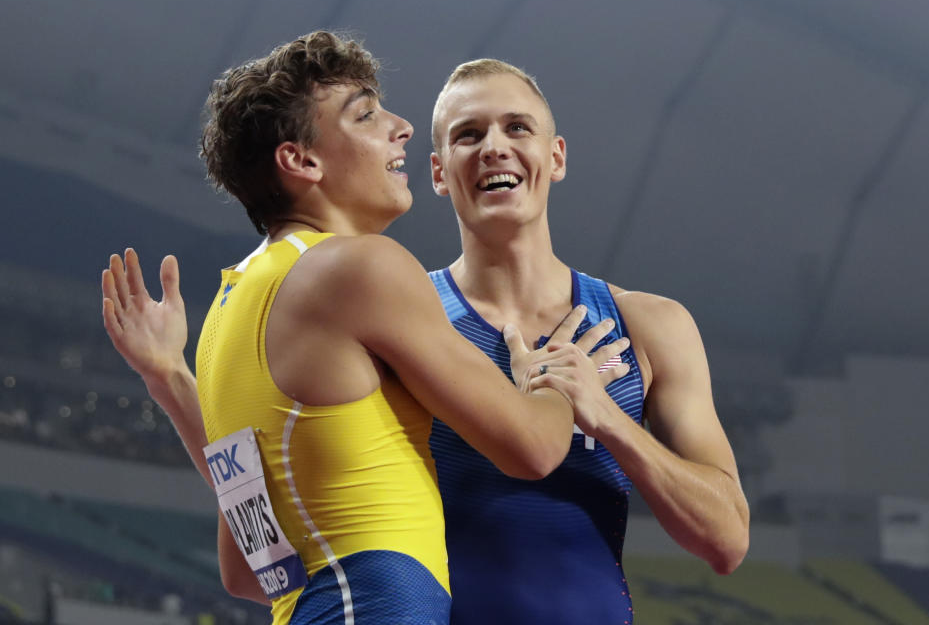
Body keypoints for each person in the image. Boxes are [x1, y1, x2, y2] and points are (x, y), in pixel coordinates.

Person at [101, 31, 629, 625]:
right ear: (302, 161)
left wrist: (170, 376)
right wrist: (556, 378)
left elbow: (254, 569)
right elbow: (533, 448)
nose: (401, 126)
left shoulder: (230, 308)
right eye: (367, 114)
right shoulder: (359, 266)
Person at [420, 59, 750, 624]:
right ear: (438, 172)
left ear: (556, 157)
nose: (493, 147)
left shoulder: (649, 325)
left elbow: (726, 540)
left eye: (517, 128)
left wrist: (607, 418)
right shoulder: (407, 321)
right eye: (468, 135)